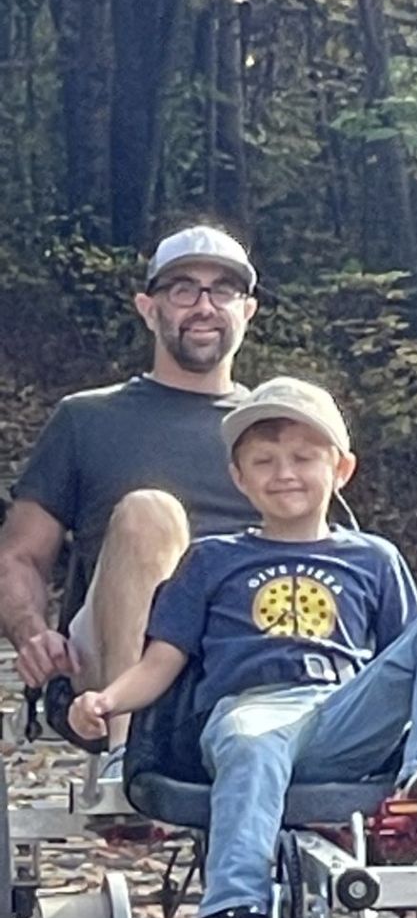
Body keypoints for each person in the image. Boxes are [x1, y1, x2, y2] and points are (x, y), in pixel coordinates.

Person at [68, 376, 417, 918]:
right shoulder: (214, 559)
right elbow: (160, 662)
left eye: (302, 458)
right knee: (254, 742)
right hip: (253, 707)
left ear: (341, 470)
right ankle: (234, 903)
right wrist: (106, 700)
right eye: (264, 461)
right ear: (238, 478)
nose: (284, 473)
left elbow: (411, 657)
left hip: (344, 714)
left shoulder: (374, 558)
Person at [0, 224, 260, 771]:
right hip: (116, 666)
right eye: (184, 289)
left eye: (223, 291)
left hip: (245, 652)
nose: (204, 306)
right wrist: (33, 632)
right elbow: (19, 555)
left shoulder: (277, 431)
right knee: (150, 513)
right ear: (148, 308)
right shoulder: (87, 419)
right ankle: (131, 756)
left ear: (248, 310)